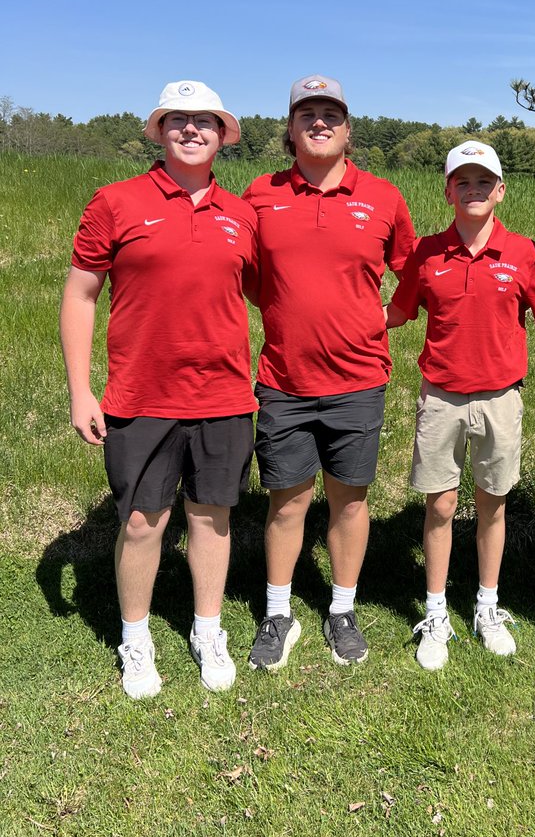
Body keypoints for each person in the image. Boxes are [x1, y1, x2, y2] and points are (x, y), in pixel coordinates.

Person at [60, 81, 257, 698]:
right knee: (144, 522)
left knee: (212, 518)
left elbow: (266, 296)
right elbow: (80, 294)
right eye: (178, 120)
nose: (191, 131)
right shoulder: (116, 202)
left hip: (224, 395)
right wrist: (81, 390)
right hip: (141, 395)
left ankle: (207, 627)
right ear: (159, 131)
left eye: (205, 122)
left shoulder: (242, 214)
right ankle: (136, 638)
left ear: (223, 135)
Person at [242, 76, 415, 669]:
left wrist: (374, 321)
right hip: (283, 380)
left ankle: (342, 608)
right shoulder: (259, 195)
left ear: (348, 128)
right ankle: (278, 611)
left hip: (359, 379)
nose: (319, 122)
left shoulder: (385, 197)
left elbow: (413, 276)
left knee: (348, 500)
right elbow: (242, 274)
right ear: (289, 128)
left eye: (331, 114)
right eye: (307, 113)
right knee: (286, 502)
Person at [386, 141, 535, 669]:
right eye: (462, 182)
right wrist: (343, 324)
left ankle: (488, 605)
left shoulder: (524, 253)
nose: (473, 191)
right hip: (440, 397)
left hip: (500, 399)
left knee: (493, 502)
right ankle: (437, 611)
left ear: (501, 190)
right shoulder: (426, 252)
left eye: (483, 182)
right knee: (440, 505)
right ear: (447, 190)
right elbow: (397, 312)